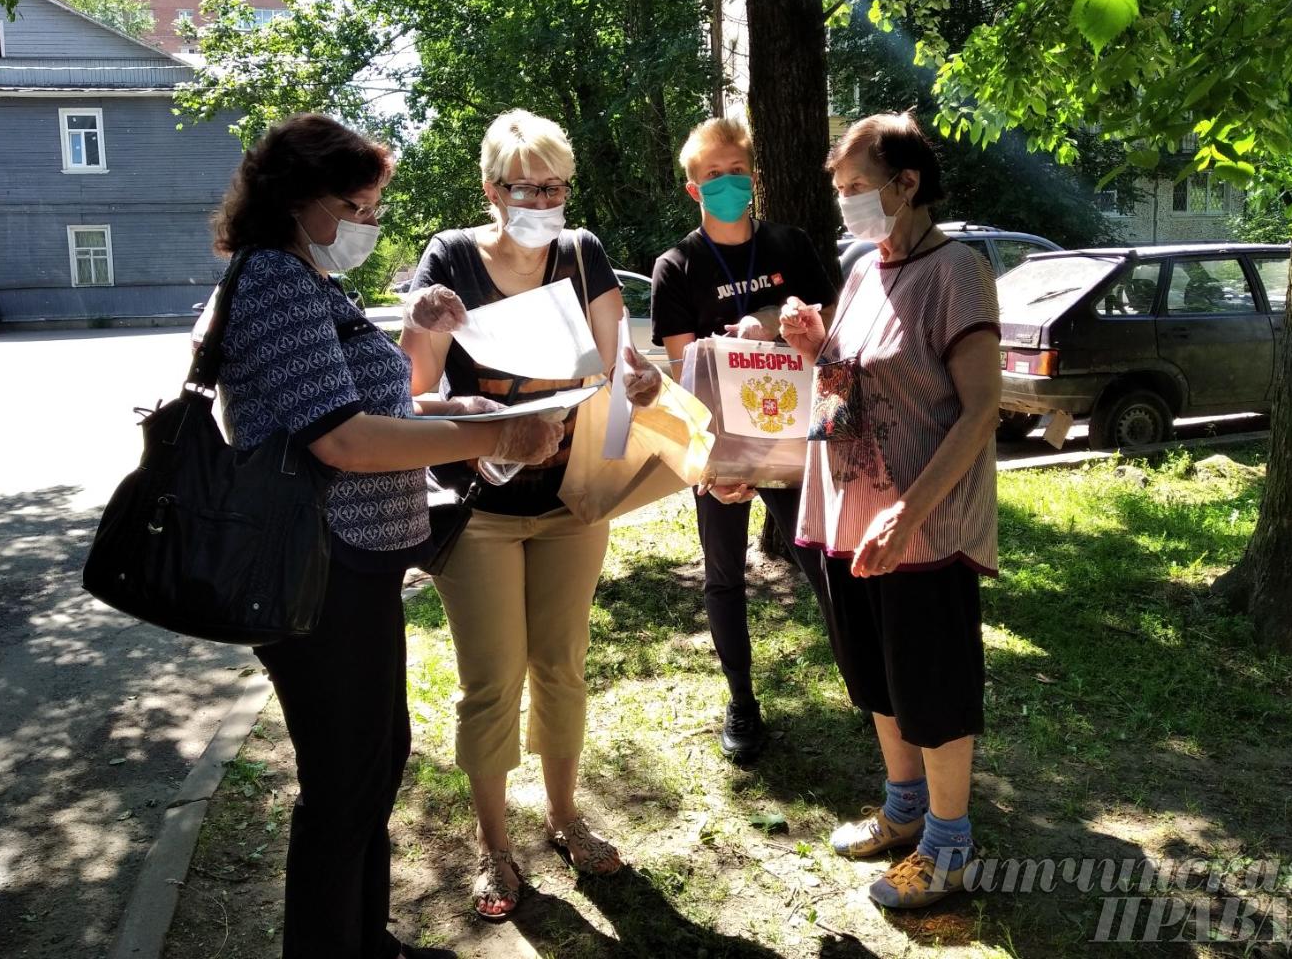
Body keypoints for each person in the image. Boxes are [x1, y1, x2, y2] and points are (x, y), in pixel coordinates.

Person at [212, 113, 564, 958]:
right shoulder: (272, 280)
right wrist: (492, 437)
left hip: (355, 568)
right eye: (361, 206)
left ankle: (364, 939)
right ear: (301, 199)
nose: (372, 222)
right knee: (343, 782)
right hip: (316, 572)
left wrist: (461, 407)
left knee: (371, 764)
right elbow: (342, 438)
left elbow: (370, 408)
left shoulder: (307, 277)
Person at [400, 109, 661, 921]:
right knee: (491, 679)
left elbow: (624, 366)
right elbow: (411, 393)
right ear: (492, 190)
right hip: (478, 508)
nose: (545, 199)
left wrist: (639, 377)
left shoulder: (582, 253)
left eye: (556, 185)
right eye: (527, 186)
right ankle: (494, 845)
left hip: (571, 499)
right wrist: (426, 332)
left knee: (562, 665)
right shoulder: (449, 257)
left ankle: (564, 819)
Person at [779, 111, 1000, 909]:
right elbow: (851, 382)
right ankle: (904, 808)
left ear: (908, 185)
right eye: (840, 191)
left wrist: (907, 513)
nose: (848, 205)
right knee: (874, 673)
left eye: (859, 188)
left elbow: (979, 412)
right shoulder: (866, 269)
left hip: (923, 524)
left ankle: (949, 842)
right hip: (847, 511)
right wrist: (815, 349)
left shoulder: (959, 271)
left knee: (931, 679)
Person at [648, 116, 837, 763]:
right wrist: (714, 463)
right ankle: (742, 703)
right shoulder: (677, 266)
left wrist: (770, 323)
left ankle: (869, 689)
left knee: (822, 562)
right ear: (692, 189)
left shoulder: (792, 246)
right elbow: (683, 370)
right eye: (712, 176)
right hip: (722, 450)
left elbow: (829, 327)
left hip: (797, 439)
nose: (726, 184)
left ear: (753, 177)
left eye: (736, 172)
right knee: (723, 576)